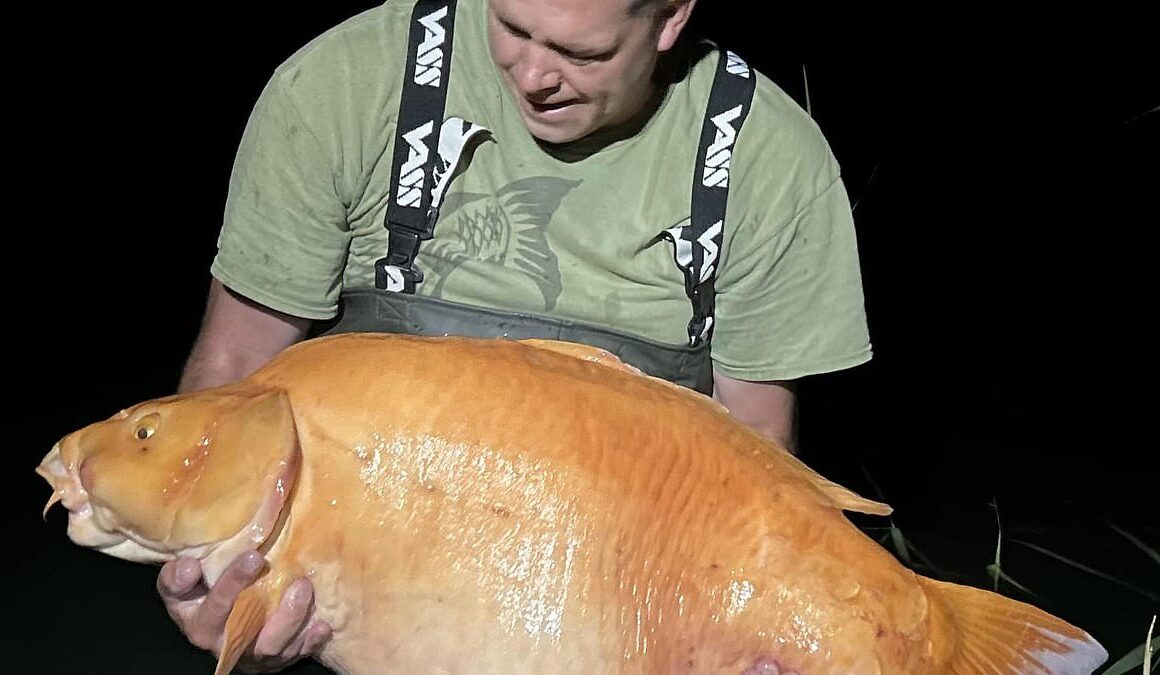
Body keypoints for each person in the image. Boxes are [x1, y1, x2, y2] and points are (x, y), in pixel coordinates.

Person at [157, 0, 873, 670]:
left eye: (579, 53)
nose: (531, 77)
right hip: (359, 599)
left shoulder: (765, 157)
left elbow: (758, 454)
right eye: (510, 26)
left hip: (623, 606)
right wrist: (205, 576)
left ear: (671, 18)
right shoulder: (348, 83)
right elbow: (237, 360)